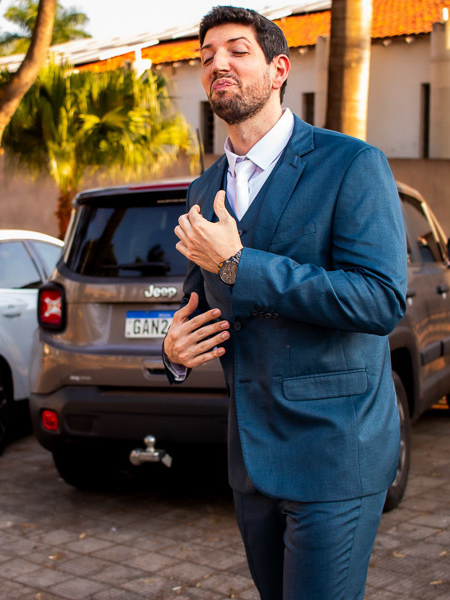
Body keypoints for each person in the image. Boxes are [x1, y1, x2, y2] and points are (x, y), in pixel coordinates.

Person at [163, 6, 407, 599]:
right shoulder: (203, 188)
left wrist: (240, 264)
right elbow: (200, 305)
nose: (217, 62)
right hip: (251, 459)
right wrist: (173, 349)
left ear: (278, 70)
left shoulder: (352, 164)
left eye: (236, 50)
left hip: (334, 450)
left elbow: (380, 300)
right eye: (206, 56)